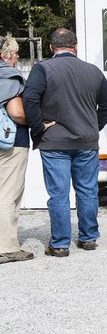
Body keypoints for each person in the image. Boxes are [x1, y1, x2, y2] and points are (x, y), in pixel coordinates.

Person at [22, 28, 107, 257]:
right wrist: (95, 126)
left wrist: (38, 127)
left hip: (54, 142)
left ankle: (61, 244)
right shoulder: (93, 71)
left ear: (52, 48)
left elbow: (30, 99)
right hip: (86, 141)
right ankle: (89, 237)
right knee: (87, 191)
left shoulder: (42, 69)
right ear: (76, 46)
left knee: (59, 194)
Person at [0, 36, 33, 263]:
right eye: (15, 53)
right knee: (8, 194)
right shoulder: (9, 75)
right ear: (5, 55)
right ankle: (7, 246)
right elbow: (17, 112)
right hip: (10, 143)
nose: (17, 57)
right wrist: (38, 121)